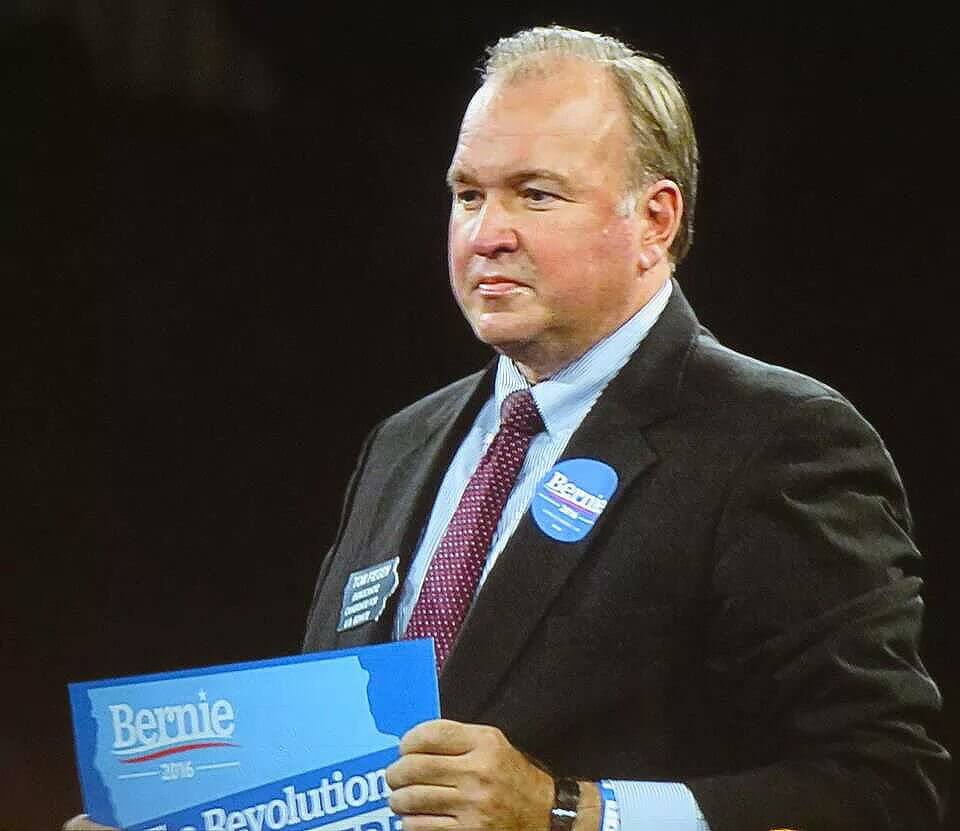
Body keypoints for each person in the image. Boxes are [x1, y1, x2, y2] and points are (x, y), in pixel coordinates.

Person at [67, 25, 949, 831]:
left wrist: (574, 812)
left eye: (535, 194)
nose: (486, 233)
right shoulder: (404, 444)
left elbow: (884, 788)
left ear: (655, 220)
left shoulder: (779, 441)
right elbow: (339, 788)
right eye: (467, 193)